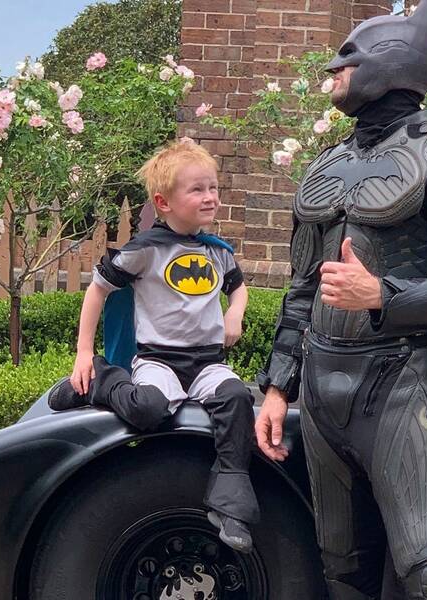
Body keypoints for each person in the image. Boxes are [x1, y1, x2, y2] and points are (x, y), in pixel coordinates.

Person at [253, 2, 427, 599]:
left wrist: (382, 295)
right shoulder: (328, 165)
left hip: (399, 387)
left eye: (349, 57)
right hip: (321, 387)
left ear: (391, 63)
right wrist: (276, 387)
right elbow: (301, 289)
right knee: (342, 571)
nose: (333, 69)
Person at [46, 140, 260, 553]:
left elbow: (239, 290)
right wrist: (84, 354)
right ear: (164, 202)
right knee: (147, 409)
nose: (210, 196)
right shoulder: (144, 251)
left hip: (207, 363)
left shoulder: (217, 253)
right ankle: (100, 382)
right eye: (196, 189)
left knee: (236, 398)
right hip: (159, 360)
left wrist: (234, 314)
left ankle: (230, 504)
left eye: (213, 187)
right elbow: (97, 291)